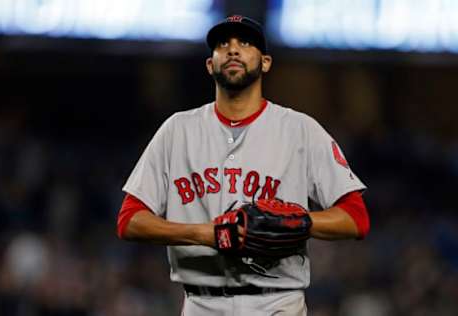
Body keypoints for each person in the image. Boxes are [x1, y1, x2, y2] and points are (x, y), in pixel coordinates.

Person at [116, 15, 370, 316]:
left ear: (265, 62)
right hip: (201, 303)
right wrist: (203, 233)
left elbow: (356, 218)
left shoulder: (301, 129)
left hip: (277, 302)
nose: (233, 50)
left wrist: (299, 223)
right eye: (223, 44)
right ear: (210, 65)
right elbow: (129, 220)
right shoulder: (177, 130)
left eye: (245, 43)